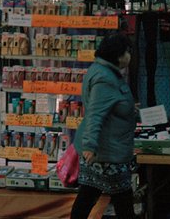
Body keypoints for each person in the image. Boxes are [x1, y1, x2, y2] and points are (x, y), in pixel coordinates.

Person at [71, 32, 138, 219]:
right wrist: (90, 146)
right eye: (127, 52)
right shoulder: (105, 79)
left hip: (107, 149)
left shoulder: (103, 71)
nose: (129, 56)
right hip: (107, 153)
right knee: (122, 201)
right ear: (118, 55)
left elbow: (109, 106)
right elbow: (95, 114)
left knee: (89, 195)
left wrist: (128, 108)